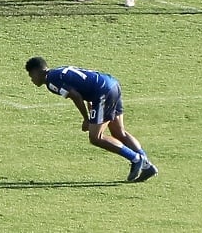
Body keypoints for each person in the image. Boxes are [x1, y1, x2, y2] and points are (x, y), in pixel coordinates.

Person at [24, 56, 157, 182]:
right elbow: (86, 88)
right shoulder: (59, 71)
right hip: (112, 84)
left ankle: (136, 158)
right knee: (119, 132)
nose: (32, 80)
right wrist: (91, 114)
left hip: (103, 92)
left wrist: (86, 119)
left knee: (96, 137)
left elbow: (75, 96)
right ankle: (147, 165)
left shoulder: (51, 81)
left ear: (37, 71)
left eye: (31, 76)